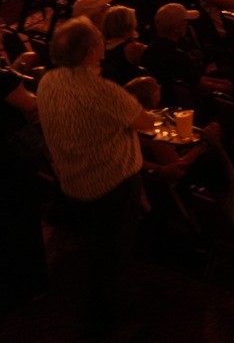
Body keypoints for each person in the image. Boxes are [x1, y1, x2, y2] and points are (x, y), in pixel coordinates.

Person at [38, 17, 155, 337]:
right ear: (91, 51)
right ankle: (105, 322)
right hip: (112, 184)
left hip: (73, 181)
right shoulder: (103, 92)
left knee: (96, 248)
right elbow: (145, 123)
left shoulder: (48, 81)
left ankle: (107, 303)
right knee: (113, 254)